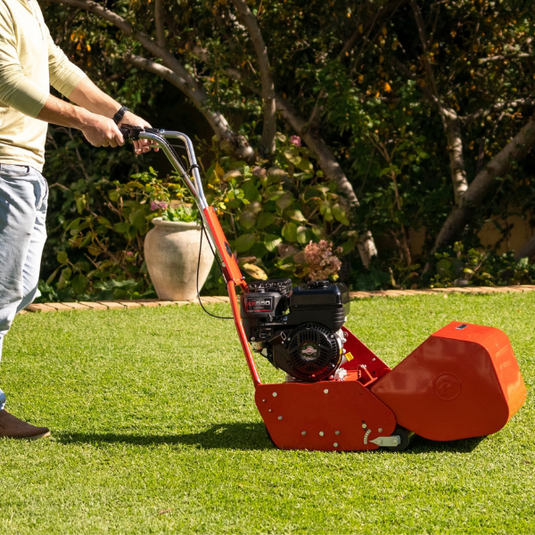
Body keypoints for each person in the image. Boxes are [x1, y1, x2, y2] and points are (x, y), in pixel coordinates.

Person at [0, 0, 155, 439]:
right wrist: (84, 120)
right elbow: (7, 83)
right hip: (4, 165)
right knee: (1, 289)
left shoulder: (25, 4)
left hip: (26, 169)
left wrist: (120, 115)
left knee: (19, 286)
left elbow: (62, 71)